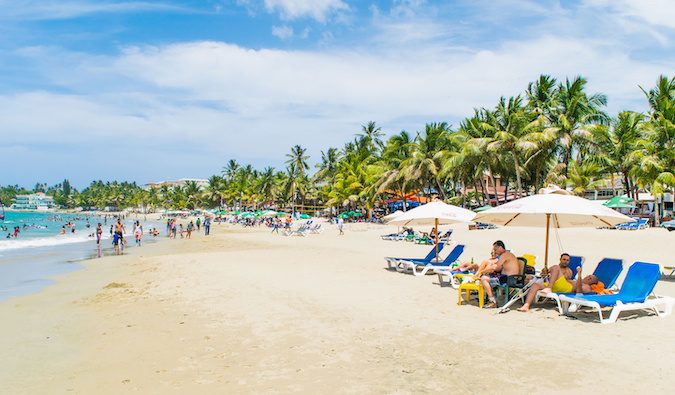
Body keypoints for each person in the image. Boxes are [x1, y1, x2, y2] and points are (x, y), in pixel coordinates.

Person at [517, 254, 597, 312]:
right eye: (589, 275)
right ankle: (526, 306)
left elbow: (579, 292)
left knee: (556, 267)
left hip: (565, 288)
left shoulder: (586, 287)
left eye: (590, 277)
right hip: (556, 285)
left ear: (590, 281)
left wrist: (579, 275)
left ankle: (549, 288)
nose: (588, 277)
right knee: (535, 285)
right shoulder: (575, 280)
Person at [479, 240, 519, 309]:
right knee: (487, 277)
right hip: (508, 277)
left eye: (495, 249)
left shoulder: (505, 255)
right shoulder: (507, 255)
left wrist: (482, 271)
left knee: (484, 279)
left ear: (500, 248)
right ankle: (491, 298)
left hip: (509, 279)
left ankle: (492, 301)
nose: (494, 251)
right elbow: (499, 268)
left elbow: (495, 267)